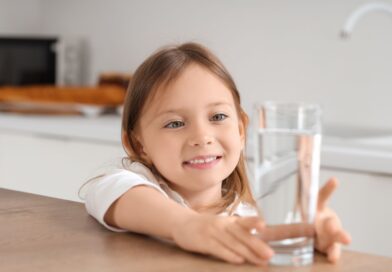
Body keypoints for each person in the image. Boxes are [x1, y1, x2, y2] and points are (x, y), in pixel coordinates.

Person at [83, 42, 351, 266]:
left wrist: (313, 235)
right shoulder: (133, 186)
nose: (202, 137)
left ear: (241, 129)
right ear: (138, 145)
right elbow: (108, 190)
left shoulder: (248, 221)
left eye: (218, 116)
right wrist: (187, 226)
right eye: (175, 123)